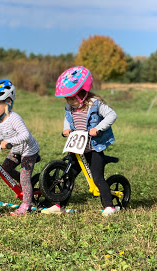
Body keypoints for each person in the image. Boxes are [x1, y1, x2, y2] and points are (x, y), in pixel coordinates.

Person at [41, 66, 119, 216]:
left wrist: (98, 129)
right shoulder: (70, 107)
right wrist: (66, 129)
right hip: (78, 149)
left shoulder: (95, 104)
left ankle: (110, 207)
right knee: (67, 177)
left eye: (71, 98)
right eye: (67, 99)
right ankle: (60, 205)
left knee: (97, 178)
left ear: (82, 94)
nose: (69, 102)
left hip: (93, 148)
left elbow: (112, 115)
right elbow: (67, 119)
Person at [0, 79, 40, 216]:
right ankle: (27, 186)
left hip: (28, 150)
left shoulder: (14, 118)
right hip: (16, 150)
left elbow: (25, 134)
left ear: (7, 102)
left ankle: (26, 204)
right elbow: (0, 134)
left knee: (24, 178)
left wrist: (9, 142)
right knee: (6, 169)